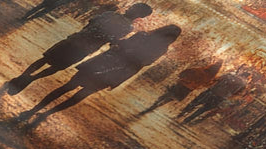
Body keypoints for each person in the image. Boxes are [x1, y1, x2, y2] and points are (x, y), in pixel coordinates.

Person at [21, 24, 181, 124]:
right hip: (112, 69)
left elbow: (140, 57)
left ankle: (40, 111)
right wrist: (123, 48)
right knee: (74, 91)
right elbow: (143, 60)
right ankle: (40, 111)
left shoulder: (148, 40)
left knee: (73, 90)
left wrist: (122, 48)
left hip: (109, 67)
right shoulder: (153, 43)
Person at [7, 2, 152, 94]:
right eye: (134, 6)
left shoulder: (121, 22)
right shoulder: (122, 23)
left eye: (136, 9)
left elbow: (92, 25)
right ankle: (26, 78)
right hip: (82, 45)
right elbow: (109, 37)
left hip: (80, 43)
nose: (131, 8)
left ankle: (27, 78)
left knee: (51, 63)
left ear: (139, 15)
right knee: (49, 61)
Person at [138, 60, 222, 117]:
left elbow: (185, 72)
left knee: (165, 95)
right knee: (170, 99)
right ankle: (156, 106)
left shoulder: (199, 70)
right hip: (187, 90)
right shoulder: (209, 78)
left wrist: (181, 77)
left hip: (181, 85)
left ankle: (153, 105)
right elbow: (206, 85)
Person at [178, 67, 249, 125]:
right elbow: (238, 94)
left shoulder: (229, 75)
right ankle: (186, 120)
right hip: (220, 98)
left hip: (211, 92)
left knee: (195, 102)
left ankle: (181, 114)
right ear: (247, 77)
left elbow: (216, 79)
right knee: (202, 110)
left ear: (241, 73)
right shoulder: (243, 85)